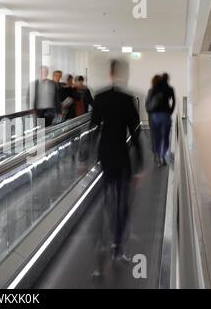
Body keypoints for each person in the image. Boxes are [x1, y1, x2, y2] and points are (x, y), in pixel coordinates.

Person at [90, 59, 143, 277]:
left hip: (105, 155)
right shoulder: (127, 99)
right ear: (122, 75)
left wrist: (85, 158)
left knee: (107, 201)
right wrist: (140, 165)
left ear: (110, 73)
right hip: (122, 157)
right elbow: (136, 133)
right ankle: (117, 248)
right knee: (123, 203)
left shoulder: (100, 97)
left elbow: (92, 128)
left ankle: (102, 244)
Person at [146, 73, 176, 166]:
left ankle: (158, 156)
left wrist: (150, 112)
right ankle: (163, 156)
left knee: (157, 137)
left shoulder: (152, 89)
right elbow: (174, 101)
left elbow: (148, 104)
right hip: (166, 115)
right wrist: (170, 111)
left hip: (155, 116)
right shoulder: (169, 89)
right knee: (165, 137)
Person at [145, 75, 163, 157]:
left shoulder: (150, 91)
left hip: (152, 116)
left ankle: (155, 152)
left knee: (153, 134)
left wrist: (149, 111)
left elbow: (147, 104)